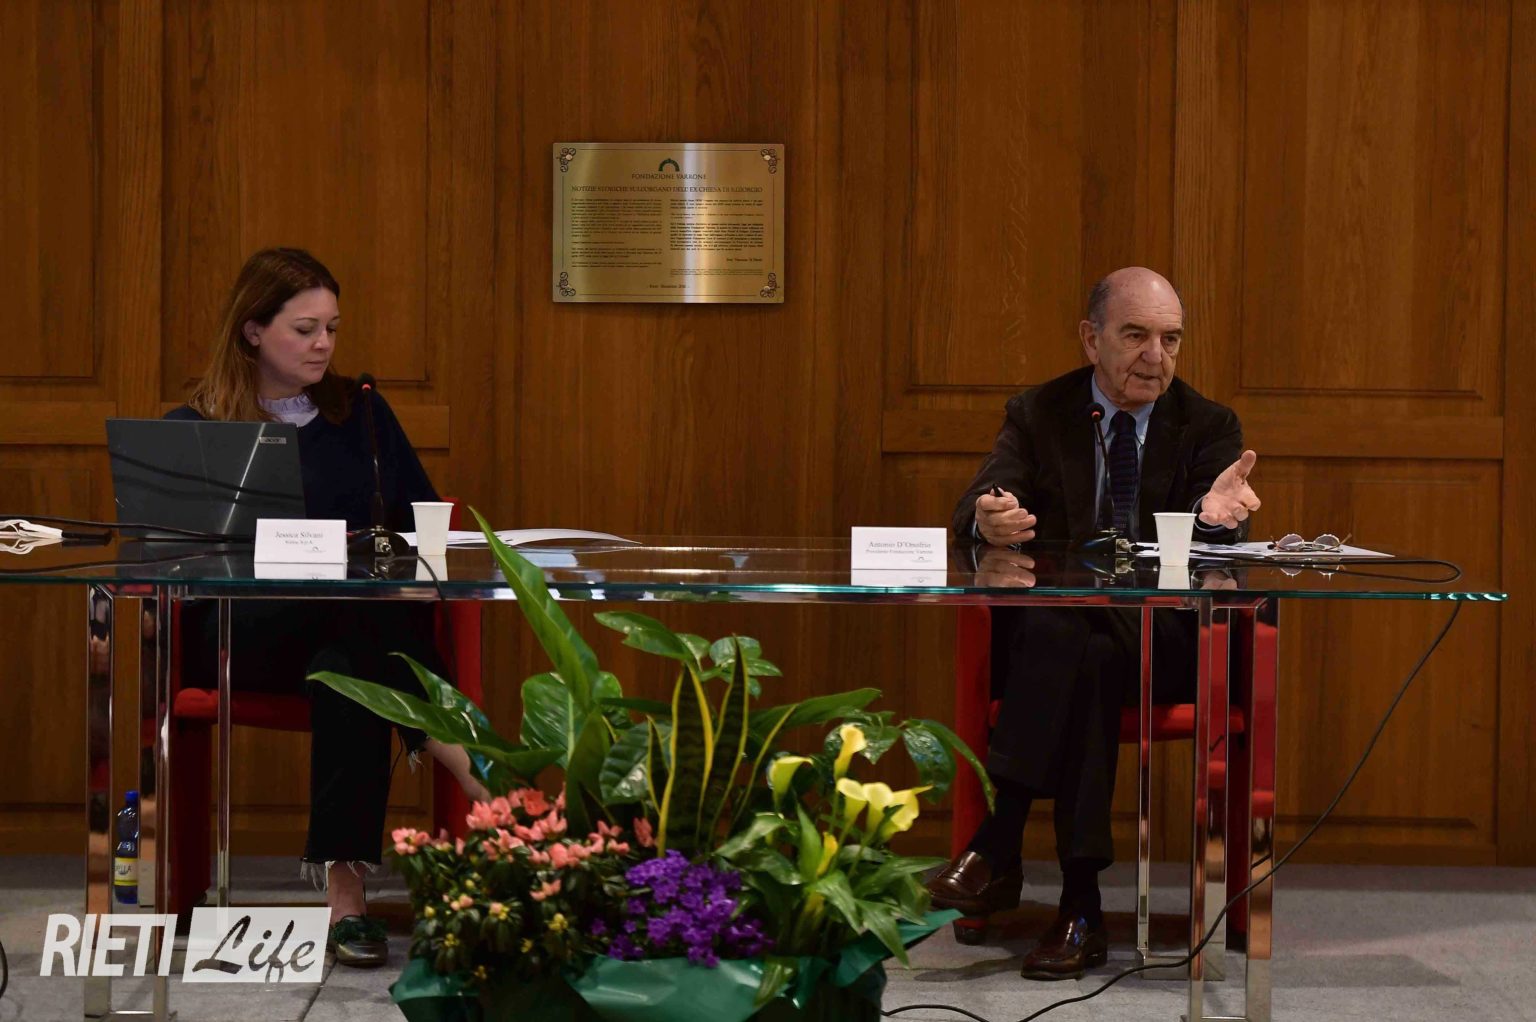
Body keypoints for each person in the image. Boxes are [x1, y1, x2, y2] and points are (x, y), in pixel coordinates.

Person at [928, 267, 1262, 979]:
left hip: (1166, 645)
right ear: (1091, 339)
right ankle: (1078, 908)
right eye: (1136, 335)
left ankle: (999, 844)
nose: (1155, 357)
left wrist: (1215, 523)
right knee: (1083, 646)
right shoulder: (1040, 413)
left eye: (1171, 339)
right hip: (1072, 652)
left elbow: (1222, 541)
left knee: (1072, 632)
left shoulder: (1208, 424)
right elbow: (977, 506)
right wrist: (988, 518)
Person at [167, 248, 490, 967]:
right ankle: (454, 743)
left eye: (332, 329)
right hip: (239, 634)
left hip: (346, 635)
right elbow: (171, 555)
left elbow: (417, 525)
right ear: (253, 330)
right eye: (305, 329)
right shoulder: (198, 424)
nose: (324, 345)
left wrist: (392, 560)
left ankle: (346, 900)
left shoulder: (361, 411)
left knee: (349, 661)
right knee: (359, 620)